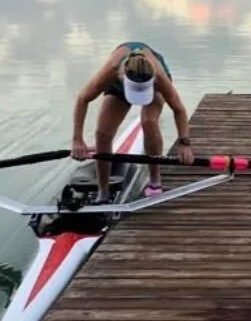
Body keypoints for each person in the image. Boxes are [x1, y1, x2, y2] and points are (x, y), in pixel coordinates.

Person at [70, 41, 194, 202]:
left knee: (149, 122)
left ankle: (155, 181)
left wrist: (184, 143)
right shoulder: (112, 69)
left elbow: (179, 109)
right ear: (122, 77)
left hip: (154, 88)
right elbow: (82, 99)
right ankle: (103, 191)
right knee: (102, 133)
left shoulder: (159, 77)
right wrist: (77, 139)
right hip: (119, 87)